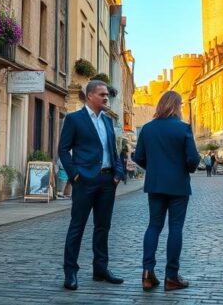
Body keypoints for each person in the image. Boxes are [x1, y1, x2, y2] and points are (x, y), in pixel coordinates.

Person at [57, 80, 125, 291]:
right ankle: (70, 272)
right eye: (102, 94)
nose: (106, 98)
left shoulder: (106, 121)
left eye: (107, 95)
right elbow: (62, 150)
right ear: (90, 96)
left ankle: (100, 269)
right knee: (77, 227)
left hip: (107, 181)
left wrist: (118, 173)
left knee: (103, 227)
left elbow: (113, 150)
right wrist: (75, 175)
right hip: (84, 181)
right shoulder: (74, 119)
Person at [133, 91, 200, 292]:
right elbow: (193, 158)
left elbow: (138, 156)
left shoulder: (147, 129)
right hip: (178, 184)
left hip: (155, 184)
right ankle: (171, 276)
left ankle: (147, 273)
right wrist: (186, 169)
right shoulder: (183, 129)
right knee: (176, 228)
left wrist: (153, 168)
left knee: (154, 226)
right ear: (177, 106)